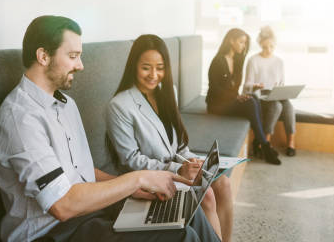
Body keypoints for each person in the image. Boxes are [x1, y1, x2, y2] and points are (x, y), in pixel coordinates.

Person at [0, 16, 220, 242]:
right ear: (43, 56)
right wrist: (137, 179)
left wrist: (135, 190)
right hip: (53, 233)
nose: (80, 65)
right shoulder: (21, 119)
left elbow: (83, 171)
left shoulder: (65, 105)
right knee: (182, 236)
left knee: (186, 212)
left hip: (88, 217)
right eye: (73, 56)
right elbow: (63, 205)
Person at [106, 35, 233, 242]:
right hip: (147, 181)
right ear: (133, 66)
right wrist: (177, 170)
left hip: (176, 170)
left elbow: (179, 145)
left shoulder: (168, 92)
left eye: (160, 67)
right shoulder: (120, 106)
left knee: (224, 184)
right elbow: (130, 160)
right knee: (207, 195)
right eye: (146, 67)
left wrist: (193, 161)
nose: (154, 75)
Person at [206, 28, 281, 165]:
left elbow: (234, 88)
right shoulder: (218, 61)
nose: (243, 46)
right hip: (216, 105)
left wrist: (240, 95)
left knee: (253, 97)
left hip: (230, 100)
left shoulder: (237, 59)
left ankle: (261, 142)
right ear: (231, 41)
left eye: (245, 43)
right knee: (251, 102)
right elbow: (215, 89)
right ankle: (265, 146)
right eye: (241, 42)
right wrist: (235, 98)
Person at [244, 26, 296, 156]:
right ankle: (265, 142)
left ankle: (291, 143)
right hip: (259, 97)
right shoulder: (253, 60)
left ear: (275, 44)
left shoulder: (279, 62)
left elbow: (281, 83)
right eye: (265, 47)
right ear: (260, 44)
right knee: (277, 106)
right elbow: (246, 85)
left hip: (275, 95)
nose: (268, 50)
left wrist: (280, 89)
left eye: (271, 46)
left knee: (288, 106)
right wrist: (255, 86)